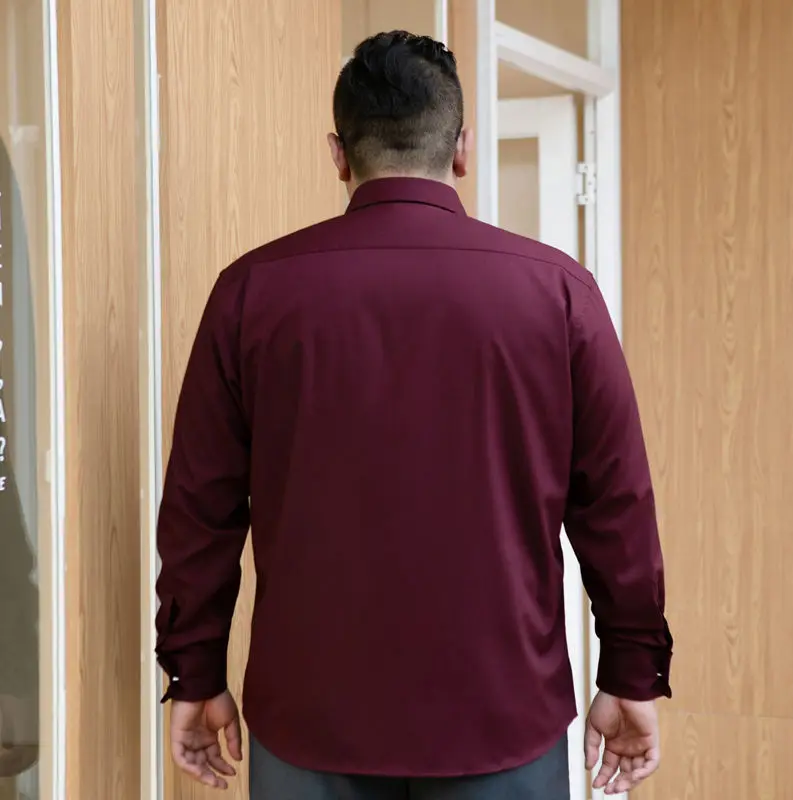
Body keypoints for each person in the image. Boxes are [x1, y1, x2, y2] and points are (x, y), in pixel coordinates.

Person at [155, 30, 672, 799]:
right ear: (462, 148)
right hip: (504, 720)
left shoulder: (251, 293)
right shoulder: (558, 293)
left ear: (339, 155)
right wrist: (631, 669)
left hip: (309, 722)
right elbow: (616, 500)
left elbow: (202, 507)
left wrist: (194, 671)